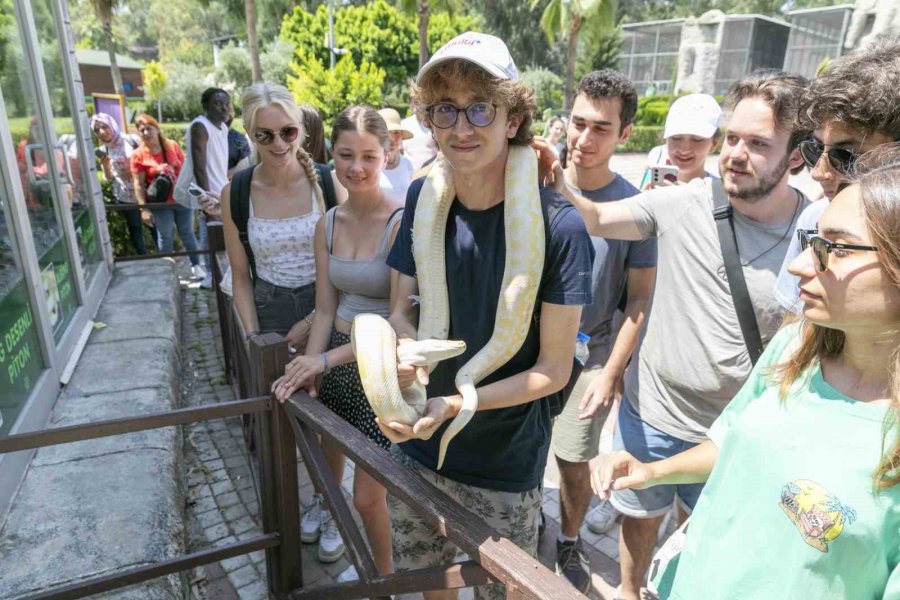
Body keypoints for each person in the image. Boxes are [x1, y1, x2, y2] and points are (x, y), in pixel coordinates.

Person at [535, 71, 810, 600]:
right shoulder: (682, 201)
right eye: (731, 138)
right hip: (650, 415)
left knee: (697, 535)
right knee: (637, 522)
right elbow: (592, 216)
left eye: (757, 144)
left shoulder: (814, 233)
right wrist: (555, 174)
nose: (735, 153)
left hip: (733, 434)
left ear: (795, 155)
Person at [594, 147, 900, 599]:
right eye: (810, 243)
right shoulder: (795, 347)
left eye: (831, 249)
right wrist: (653, 472)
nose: (799, 265)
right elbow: (733, 439)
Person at [381, 32, 595, 600]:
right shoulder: (420, 202)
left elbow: (553, 370)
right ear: (427, 120)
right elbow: (400, 311)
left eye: (480, 106)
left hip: (504, 467)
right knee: (431, 586)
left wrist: (455, 402)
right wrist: (405, 354)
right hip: (416, 447)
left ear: (513, 116)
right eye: (444, 109)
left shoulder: (561, 229)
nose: (461, 126)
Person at [272, 106, 403, 575]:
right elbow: (325, 309)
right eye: (346, 155)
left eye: (369, 156)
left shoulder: (400, 223)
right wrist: (310, 370)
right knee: (328, 477)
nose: (356, 168)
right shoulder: (326, 222)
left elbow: (396, 323)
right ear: (331, 153)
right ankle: (351, 545)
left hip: (380, 371)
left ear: (388, 155)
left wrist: (321, 361)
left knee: (370, 498)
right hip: (334, 366)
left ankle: (385, 577)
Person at [543, 70, 657, 593]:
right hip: (525, 351)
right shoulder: (533, 184)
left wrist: (612, 374)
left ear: (625, 135)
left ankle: (568, 539)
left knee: (572, 458)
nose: (584, 139)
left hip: (590, 356)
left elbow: (638, 300)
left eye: (601, 129)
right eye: (578, 123)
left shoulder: (635, 207)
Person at [773, 36, 900, 313]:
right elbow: (796, 332)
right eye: (815, 149)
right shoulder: (815, 220)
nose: (819, 173)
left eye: (845, 157)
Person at [221, 82, 325, 349]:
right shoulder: (235, 194)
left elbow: (347, 264)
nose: (279, 144)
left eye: (288, 132)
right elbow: (241, 276)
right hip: (269, 309)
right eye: (265, 135)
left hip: (327, 307)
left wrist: (314, 320)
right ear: (249, 134)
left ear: (300, 127)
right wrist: (255, 338)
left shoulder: (327, 183)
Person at [130, 114, 202, 275]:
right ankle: (166, 269)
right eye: (142, 130)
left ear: (157, 129)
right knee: (165, 236)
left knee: (187, 233)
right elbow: (138, 184)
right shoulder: (138, 155)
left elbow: (186, 170)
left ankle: (196, 265)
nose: (146, 133)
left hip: (181, 199)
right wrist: (144, 209)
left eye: (149, 128)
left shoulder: (172, 146)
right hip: (160, 203)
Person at [175, 87, 232, 288]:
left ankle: (220, 275)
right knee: (211, 235)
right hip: (208, 192)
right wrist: (205, 198)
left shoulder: (223, 128)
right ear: (206, 105)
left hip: (222, 189)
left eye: (227, 104)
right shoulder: (200, 127)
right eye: (218, 104)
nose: (224, 108)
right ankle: (211, 277)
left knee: (222, 237)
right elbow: (200, 167)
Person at [90, 113, 152, 255]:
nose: (102, 132)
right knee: (135, 229)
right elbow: (109, 178)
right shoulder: (103, 150)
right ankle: (146, 260)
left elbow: (149, 161)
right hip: (124, 196)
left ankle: (164, 258)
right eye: (97, 130)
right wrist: (105, 166)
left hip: (144, 191)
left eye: (105, 127)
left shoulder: (132, 140)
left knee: (153, 225)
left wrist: (134, 172)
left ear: (111, 124)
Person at [638, 94, 722, 190]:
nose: (684, 149)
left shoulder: (719, 192)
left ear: (714, 143)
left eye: (697, 139)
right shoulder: (646, 182)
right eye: (676, 138)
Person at [377, 108, 415, 204]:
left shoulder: (408, 163)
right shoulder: (372, 166)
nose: (392, 139)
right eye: (386, 134)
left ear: (402, 136)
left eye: (396, 133)